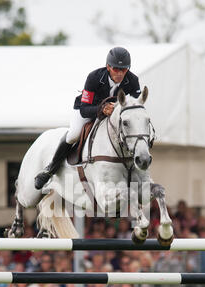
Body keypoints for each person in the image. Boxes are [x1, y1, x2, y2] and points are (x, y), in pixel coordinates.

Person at [34, 46, 141, 189]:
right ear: (108, 67)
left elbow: (133, 109)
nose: (120, 73)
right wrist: (102, 109)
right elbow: (84, 109)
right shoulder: (94, 78)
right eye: (116, 69)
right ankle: (50, 169)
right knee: (74, 134)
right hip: (89, 110)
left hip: (115, 117)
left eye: (124, 69)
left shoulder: (133, 81)